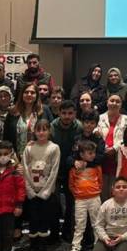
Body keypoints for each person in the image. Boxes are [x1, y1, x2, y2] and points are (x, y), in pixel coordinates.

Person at [22, 119, 60, 251]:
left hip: (46, 192)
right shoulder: (29, 148)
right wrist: (30, 190)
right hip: (32, 191)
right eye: (38, 130)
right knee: (33, 219)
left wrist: (46, 191)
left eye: (44, 129)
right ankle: (33, 246)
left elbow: (54, 170)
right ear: (34, 131)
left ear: (49, 131)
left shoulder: (54, 148)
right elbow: (25, 169)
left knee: (44, 219)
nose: (41, 132)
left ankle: (41, 247)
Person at [66, 140, 104, 251]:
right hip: (80, 200)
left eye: (94, 153)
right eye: (90, 153)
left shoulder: (97, 167)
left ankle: (98, 245)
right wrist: (77, 194)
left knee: (96, 223)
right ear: (82, 154)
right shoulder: (74, 168)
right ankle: (76, 248)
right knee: (79, 225)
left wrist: (96, 191)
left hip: (94, 198)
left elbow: (100, 182)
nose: (93, 155)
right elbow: (71, 184)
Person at [50, 100, 82, 242]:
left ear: (75, 114)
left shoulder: (79, 127)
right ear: (59, 113)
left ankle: (68, 231)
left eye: (70, 113)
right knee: (54, 201)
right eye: (64, 113)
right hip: (55, 169)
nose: (67, 116)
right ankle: (54, 232)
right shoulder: (52, 127)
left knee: (71, 202)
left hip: (72, 170)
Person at [3, 83, 52, 156]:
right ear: (21, 95)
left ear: (37, 95)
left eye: (32, 92)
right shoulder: (13, 111)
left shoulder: (44, 110)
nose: (29, 94)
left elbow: (51, 132)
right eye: (26, 92)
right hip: (16, 156)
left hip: (40, 154)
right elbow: (6, 136)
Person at [98, 94, 127, 196]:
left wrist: (114, 148)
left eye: (117, 101)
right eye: (112, 100)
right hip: (102, 157)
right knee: (102, 190)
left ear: (121, 105)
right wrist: (104, 148)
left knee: (115, 189)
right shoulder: (99, 117)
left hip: (118, 158)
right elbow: (96, 134)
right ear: (107, 103)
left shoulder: (126, 119)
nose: (114, 103)